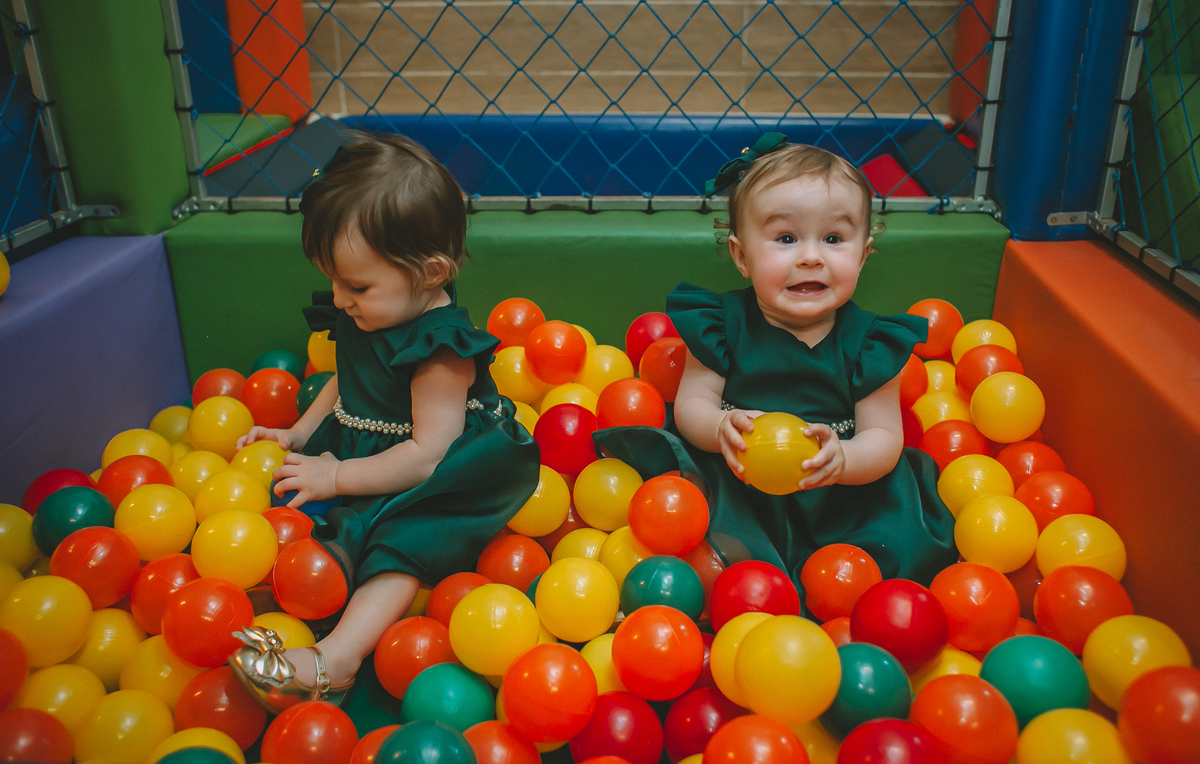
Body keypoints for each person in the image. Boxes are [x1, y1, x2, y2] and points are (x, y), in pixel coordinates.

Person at [228, 133, 540, 713]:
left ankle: (337, 660)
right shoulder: (372, 308)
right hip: (368, 446)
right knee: (310, 508)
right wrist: (300, 433)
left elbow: (427, 455)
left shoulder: (438, 350)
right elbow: (350, 376)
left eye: (357, 286)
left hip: (445, 470)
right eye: (336, 281)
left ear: (430, 272)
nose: (341, 298)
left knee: (400, 544)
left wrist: (339, 476)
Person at [595, 134, 957, 606]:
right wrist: (720, 426)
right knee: (704, 550)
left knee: (889, 565)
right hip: (742, 485)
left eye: (833, 239)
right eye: (786, 238)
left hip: (838, 494)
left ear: (863, 256)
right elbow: (692, 405)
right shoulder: (721, 326)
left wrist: (843, 460)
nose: (811, 256)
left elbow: (884, 439)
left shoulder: (873, 342)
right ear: (742, 257)